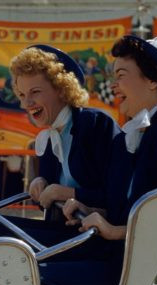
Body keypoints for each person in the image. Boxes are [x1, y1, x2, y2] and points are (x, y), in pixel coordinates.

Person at [46, 35, 157, 285]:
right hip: (117, 257)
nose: (113, 85)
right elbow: (116, 201)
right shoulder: (127, 138)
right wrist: (86, 205)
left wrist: (115, 231)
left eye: (121, 75)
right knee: (24, 268)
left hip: (147, 272)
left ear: (152, 80)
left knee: (39, 281)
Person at [11, 45, 119, 212]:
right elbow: (46, 204)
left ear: (61, 89)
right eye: (22, 95)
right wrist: (40, 185)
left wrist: (66, 193)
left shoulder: (95, 124)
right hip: (65, 232)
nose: (26, 103)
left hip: (94, 234)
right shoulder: (49, 137)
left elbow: (116, 196)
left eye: (35, 92)